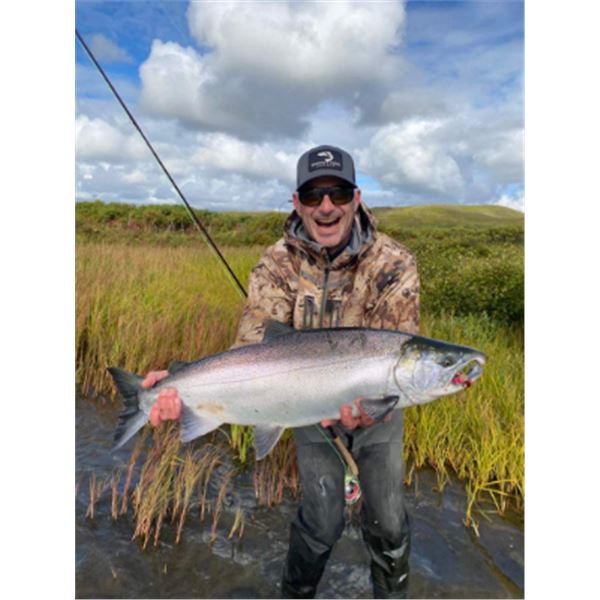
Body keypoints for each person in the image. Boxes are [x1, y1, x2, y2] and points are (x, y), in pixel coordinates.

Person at [143, 145, 420, 599]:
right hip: (302, 405)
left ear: (356, 198)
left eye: (337, 193)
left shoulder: (394, 262)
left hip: (380, 407)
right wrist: (182, 381)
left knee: (388, 522)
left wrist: (371, 408)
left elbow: (400, 350)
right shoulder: (277, 262)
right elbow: (252, 351)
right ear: (297, 202)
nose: (326, 206)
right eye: (313, 195)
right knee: (322, 519)